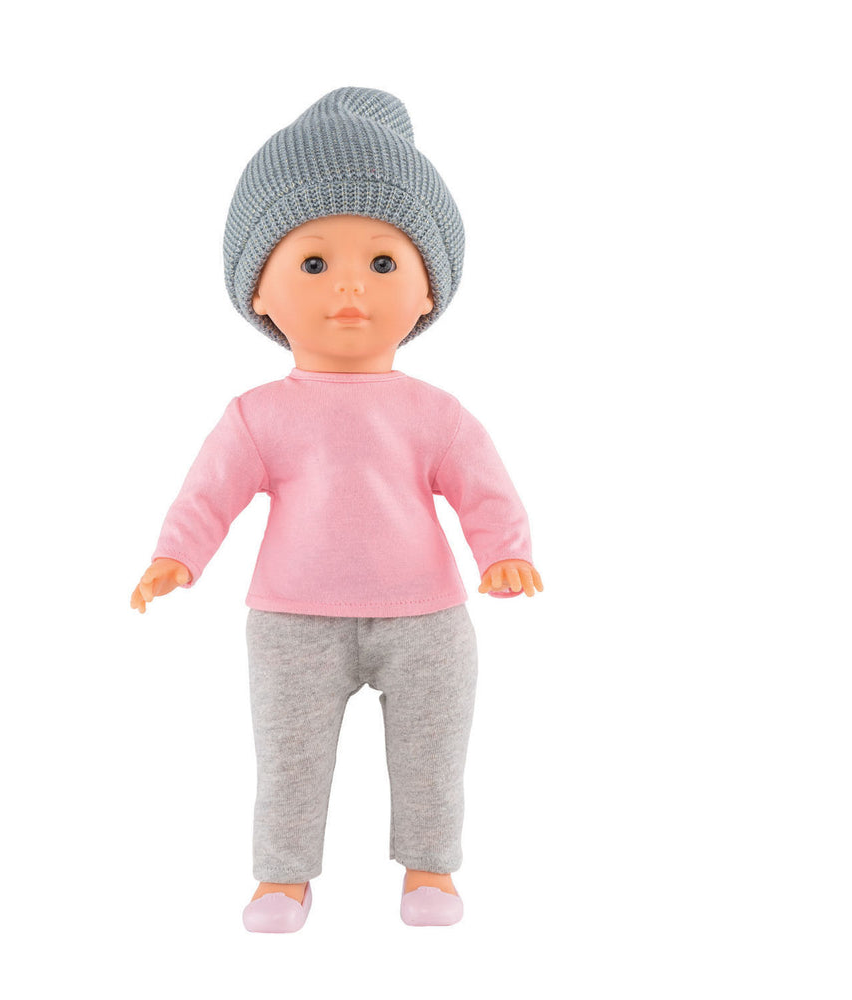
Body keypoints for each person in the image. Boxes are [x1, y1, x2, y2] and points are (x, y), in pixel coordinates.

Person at [130, 87, 542, 932]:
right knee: (288, 761)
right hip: (291, 621)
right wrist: (178, 555)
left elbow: (484, 487)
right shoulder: (258, 415)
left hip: (427, 621)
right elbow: (209, 491)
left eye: (384, 264)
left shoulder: (435, 413)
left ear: (428, 293)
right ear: (259, 293)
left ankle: (430, 868)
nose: (350, 284)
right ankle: (282, 878)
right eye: (313, 264)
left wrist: (505, 550)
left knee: (433, 755)